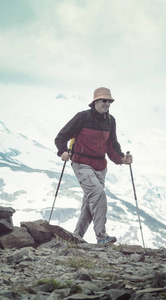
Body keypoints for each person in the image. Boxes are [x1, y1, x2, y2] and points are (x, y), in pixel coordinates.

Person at [55, 87, 133, 245]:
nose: (107, 103)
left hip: (100, 167)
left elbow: (112, 146)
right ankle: (101, 237)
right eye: (104, 100)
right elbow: (61, 137)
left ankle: (75, 238)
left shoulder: (110, 121)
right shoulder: (82, 117)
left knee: (89, 206)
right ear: (95, 101)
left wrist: (122, 159)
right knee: (98, 195)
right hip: (81, 163)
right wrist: (62, 152)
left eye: (109, 101)